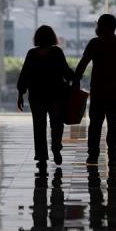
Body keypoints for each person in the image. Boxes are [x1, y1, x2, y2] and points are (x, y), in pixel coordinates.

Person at [74, 14, 116, 166]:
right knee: (114, 123)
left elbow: (83, 64)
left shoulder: (94, 43)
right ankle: (113, 154)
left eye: (98, 25)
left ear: (102, 26)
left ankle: (93, 155)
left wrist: (76, 81)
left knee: (95, 124)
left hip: (98, 91)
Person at [17, 25, 75, 167]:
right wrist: (74, 77)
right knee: (56, 123)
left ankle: (42, 156)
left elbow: (24, 75)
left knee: (39, 125)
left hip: (36, 95)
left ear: (37, 38)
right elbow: (65, 71)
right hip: (55, 94)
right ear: (52, 37)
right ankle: (56, 147)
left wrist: (20, 94)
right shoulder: (57, 52)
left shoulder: (31, 54)